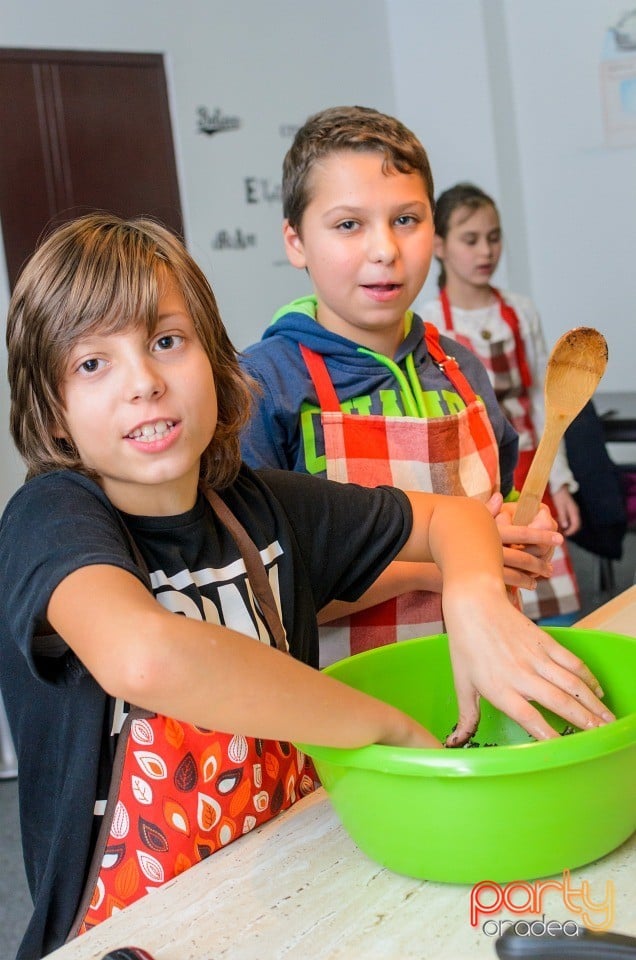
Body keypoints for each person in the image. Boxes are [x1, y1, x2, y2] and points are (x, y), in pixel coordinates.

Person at [0, 214, 612, 958]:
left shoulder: (260, 505)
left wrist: (474, 599)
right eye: (92, 364)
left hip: (291, 883)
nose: (145, 384)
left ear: (217, 363)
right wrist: (381, 725)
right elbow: (146, 659)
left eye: (166, 341)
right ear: (54, 415)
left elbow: (454, 520)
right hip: (126, 933)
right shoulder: (52, 518)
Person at [240, 105, 561, 664]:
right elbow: (260, 598)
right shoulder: (265, 386)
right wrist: (449, 564)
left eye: (406, 220)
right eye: (348, 225)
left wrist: (525, 530)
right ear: (295, 242)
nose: (385, 249)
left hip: (489, 685)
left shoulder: (461, 368)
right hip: (343, 720)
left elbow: (506, 506)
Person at [420, 181, 582, 624]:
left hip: (536, 463)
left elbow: (548, 400)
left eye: (493, 237)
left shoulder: (520, 310)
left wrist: (562, 481)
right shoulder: (429, 320)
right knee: (497, 599)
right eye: (470, 240)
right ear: (439, 246)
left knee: (551, 602)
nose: (485, 251)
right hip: (479, 479)